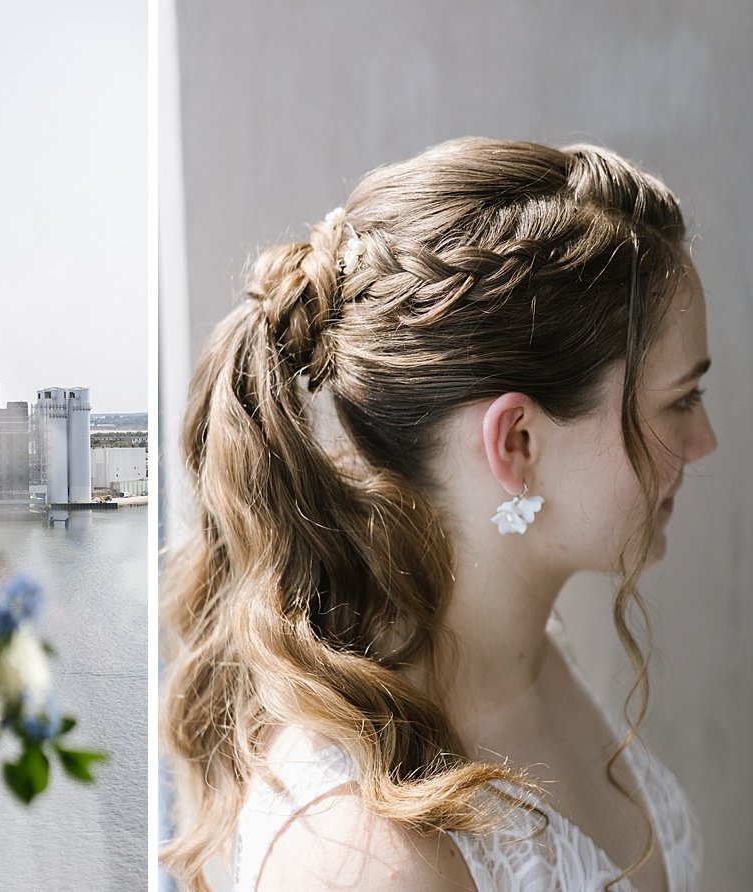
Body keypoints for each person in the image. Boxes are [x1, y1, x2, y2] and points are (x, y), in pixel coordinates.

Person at [160, 138, 714, 891]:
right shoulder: (361, 858)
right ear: (517, 442)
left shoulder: (530, 651)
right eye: (680, 401)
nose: (703, 441)